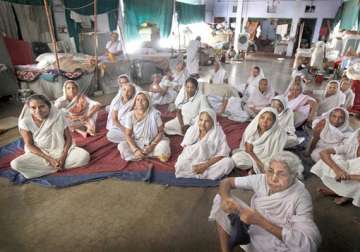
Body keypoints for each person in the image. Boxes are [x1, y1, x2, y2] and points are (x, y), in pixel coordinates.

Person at [209, 151, 321, 252]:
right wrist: (226, 199)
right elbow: (226, 182)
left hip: (278, 238)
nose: (273, 178)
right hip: (252, 226)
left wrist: (260, 221)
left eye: (281, 174)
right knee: (220, 199)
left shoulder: (301, 196)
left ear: (294, 175)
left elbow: (309, 244)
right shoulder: (261, 179)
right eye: (271, 171)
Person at [11, 95, 90, 179]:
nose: (38, 111)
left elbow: (68, 138)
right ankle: (57, 166)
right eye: (33, 108)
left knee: (84, 157)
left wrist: (63, 156)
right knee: (15, 164)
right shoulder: (25, 122)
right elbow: (29, 145)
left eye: (42, 106)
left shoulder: (58, 116)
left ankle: (51, 167)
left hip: (62, 150)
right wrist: (49, 159)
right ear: (29, 109)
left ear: (49, 106)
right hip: (41, 154)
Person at [175, 108, 234, 180]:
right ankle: (203, 174)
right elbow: (186, 152)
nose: (202, 123)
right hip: (192, 161)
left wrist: (204, 166)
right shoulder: (192, 130)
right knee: (180, 165)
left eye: (207, 121)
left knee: (229, 162)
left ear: (213, 122)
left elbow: (222, 154)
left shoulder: (218, 133)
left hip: (209, 162)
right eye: (201, 120)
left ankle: (197, 173)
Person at [311, 129, 360, 207]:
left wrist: (347, 176)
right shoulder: (351, 146)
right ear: (358, 138)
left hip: (355, 177)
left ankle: (344, 195)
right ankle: (339, 191)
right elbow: (323, 152)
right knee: (332, 159)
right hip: (347, 173)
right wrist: (337, 170)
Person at [117, 91, 171, 162]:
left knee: (164, 146)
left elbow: (161, 132)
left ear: (148, 102)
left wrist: (152, 146)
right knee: (121, 146)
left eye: (143, 100)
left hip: (153, 142)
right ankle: (140, 154)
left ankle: (140, 156)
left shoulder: (154, 114)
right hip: (137, 143)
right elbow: (128, 135)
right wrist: (135, 149)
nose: (140, 102)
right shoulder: (130, 115)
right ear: (135, 102)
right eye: (138, 100)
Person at [231, 107, 287, 174]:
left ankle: (254, 169)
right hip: (251, 156)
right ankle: (254, 168)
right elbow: (248, 150)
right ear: (258, 118)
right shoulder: (252, 130)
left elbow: (275, 155)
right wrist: (258, 163)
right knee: (236, 158)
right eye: (262, 117)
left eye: (269, 119)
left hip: (266, 160)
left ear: (274, 123)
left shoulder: (278, 134)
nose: (264, 121)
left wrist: (263, 164)